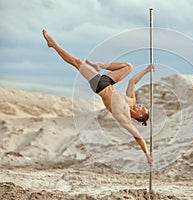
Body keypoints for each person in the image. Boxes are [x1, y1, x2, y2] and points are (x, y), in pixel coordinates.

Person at [42, 29, 154, 165]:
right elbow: (132, 82)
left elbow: (138, 137)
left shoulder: (124, 119)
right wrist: (146, 71)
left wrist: (147, 154)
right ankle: (100, 65)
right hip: (108, 82)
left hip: (99, 86)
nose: (141, 105)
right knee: (128, 67)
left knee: (76, 62)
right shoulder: (131, 100)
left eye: (143, 108)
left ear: (139, 115)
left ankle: (53, 45)